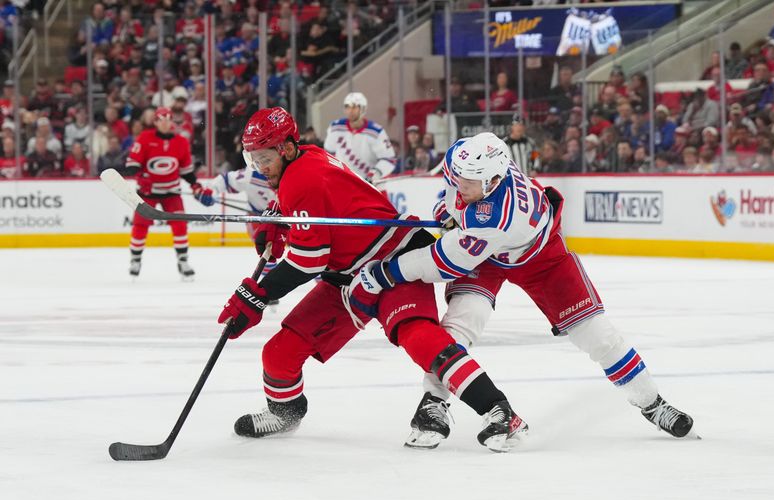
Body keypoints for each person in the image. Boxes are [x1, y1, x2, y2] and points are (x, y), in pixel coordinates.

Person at [347, 132, 695, 449]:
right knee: (461, 321)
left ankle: (653, 403)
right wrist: (449, 207)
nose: (459, 183)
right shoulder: (471, 159)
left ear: (494, 181)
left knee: (599, 337)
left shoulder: (499, 216)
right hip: (488, 253)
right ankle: (433, 404)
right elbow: (454, 189)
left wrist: (384, 273)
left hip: (541, 257)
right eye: (458, 176)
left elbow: (442, 263)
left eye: (468, 181)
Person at [220, 107, 528, 452]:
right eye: (253, 159)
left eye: (264, 158)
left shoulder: (300, 177)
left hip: (395, 258)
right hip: (349, 277)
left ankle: (499, 410)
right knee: (278, 353)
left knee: (419, 337)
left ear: (287, 148)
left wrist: (257, 295)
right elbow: (318, 214)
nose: (260, 168)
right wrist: (283, 222)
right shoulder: (304, 159)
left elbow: (309, 261)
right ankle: (285, 411)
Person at [122, 107, 203, 280]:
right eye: (161, 120)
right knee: (140, 225)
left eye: (168, 119)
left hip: (171, 192)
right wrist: (140, 175)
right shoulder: (144, 138)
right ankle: (135, 260)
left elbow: (186, 170)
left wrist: (195, 184)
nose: (165, 123)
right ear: (156, 122)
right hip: (147, 193)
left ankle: (183, 261)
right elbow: (132, 165)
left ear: (172, 122)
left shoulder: (181, 142)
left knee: (180, 224)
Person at [192, 166, 286, 277]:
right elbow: (226, 180)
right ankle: (271, 281)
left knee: (306, 251)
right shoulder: (251, 175)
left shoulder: (293, 171)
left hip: (291, 215)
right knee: (266, 253)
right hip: (259, 218)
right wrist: (210, 192)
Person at [323, 92, 396, 183]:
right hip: (342, 182)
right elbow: (327, 154)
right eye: (347, 107)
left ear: (363, 109)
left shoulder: (376, 132)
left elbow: (389, 160)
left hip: (368, 185)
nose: (350, 111)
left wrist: (374, 174)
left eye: (354, 107)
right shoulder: (335, 128)